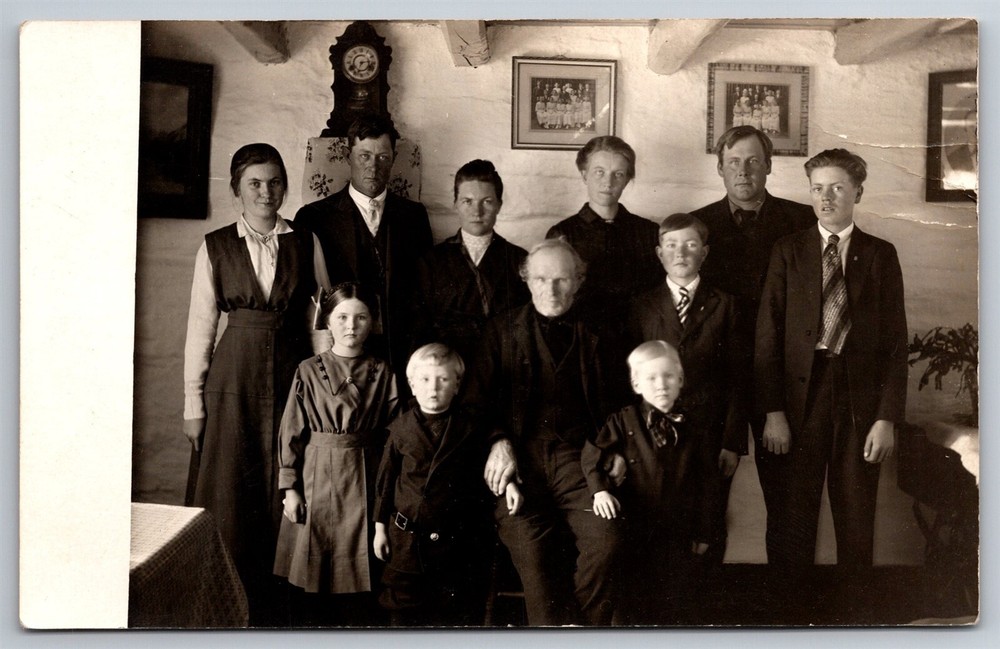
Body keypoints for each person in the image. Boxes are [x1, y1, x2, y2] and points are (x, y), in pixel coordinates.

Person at [754, 148, 908, 621]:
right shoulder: (789, 250)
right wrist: (773, 411)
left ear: (857, 192)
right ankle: (790, 619)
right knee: (792, 516)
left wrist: (885, 419)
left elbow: (896, 345)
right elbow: (768, 335)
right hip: (802, 397)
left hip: (858, 400)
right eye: (817, 188)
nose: (826, 198)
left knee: (856, 514)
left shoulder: (880, 255)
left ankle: (853, 617)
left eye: (837, 187)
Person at [182, 142, 330, 626]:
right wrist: (193, 403)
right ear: (236, 190)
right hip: (234, 378)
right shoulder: (216, 245)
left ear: (285, 186)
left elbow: (320, 322)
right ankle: (226, 607)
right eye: (255, 183)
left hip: (292, 372)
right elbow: (201, 327)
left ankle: (280, 612)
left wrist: (326, 383)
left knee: (288, 483)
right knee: (230, 488)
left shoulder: (305, 241)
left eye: (274, 182)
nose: (266, 192)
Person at [464, 238, 623, 626]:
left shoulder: (600, 333)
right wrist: (498, 443)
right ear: (526, 280)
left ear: (579, 281)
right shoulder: (501, 330)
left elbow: (622, 403)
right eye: (540, 279)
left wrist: (617, 450)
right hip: (520, 464)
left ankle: (585, 630)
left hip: (581, 462)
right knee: (533, 557)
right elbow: (474, 403)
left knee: (607, 539)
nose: (550, 289)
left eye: (561, 280)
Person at [689, 125, 814, 564]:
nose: (744, 171)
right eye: (734, 162)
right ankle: (703, 611)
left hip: (778, 378)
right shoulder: (697, 226)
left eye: (753, 161)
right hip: (717, 379)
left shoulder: (801, 222)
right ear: (720, 168)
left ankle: (789, 612)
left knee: (787, 498)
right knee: (705, 499)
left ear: (769, 167)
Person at [272, 282, 401, 626]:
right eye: (342, 317)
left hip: (366, 474)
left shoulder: (383, 372)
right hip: (316, 476)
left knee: (361, 578)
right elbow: (291, 433)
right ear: (327, 321)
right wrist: (290, 489)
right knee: (314, 575)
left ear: (372, 322)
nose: (351, 326)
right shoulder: (308, 370)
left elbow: (395, 434)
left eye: (361, 317)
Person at [627, 213, 745, 575]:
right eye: (672, 245)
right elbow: (629, 377)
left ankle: (701, 610)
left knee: (707, 520)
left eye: (691, 245)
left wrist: (731, 441)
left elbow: (738, 378)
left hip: (708, 435)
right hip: (654, 433)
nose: (681, 253)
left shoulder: (726, 304)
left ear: (705, 253)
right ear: (659, 252)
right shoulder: (641, 306)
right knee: (658, 518)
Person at [373, 344, 521, 626]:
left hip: (453, 537)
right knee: (402, 601)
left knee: (450, 602)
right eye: (426, 380)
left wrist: (509, 483)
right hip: (407, 538)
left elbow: (489, 468)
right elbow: (384, 482)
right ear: (412, 385)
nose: (434, 389)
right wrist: (380, 528)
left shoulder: (469, 426)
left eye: (443, 380)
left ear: (457, 386)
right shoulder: (400, 429)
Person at [294, 113, 433, 391]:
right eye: (364, 156)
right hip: (341, 356)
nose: (374, 166)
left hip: (400, 354)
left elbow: (425, 292)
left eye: (383, 157)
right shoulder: (315, 217)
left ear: (393, 158)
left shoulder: (414, 216)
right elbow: (305, 298)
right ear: (348, 156)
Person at [582, 341, 709, 625]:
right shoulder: (622, 420)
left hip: (676, 529)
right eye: (651, 378)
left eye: (668, 376)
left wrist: (704, 532)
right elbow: (592, 454)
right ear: (636, 384)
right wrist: (600, 490)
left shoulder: (692, 427)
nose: (661, 385)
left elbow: (705, 483)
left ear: (681, 381)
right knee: (631, 600)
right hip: (635, 529)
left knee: (673, 599)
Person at [411, 160, 529, 370]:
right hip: (446, 372)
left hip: (503, 370)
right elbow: (419, 328)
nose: (477, 211)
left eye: (487, 201)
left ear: (499, 205)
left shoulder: (518, 259)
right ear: (455, 203)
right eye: (467, 201)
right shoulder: (431, 261)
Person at [546, 136, 662, 333]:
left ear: (627, 180)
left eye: (618, 174)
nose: (608, 182)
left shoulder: (649, 232)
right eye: (599, 172)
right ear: (584, 175)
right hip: (582, 339)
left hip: (638, 337)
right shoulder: (563, 233)